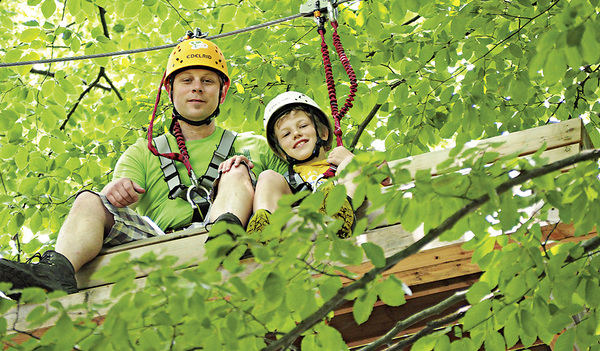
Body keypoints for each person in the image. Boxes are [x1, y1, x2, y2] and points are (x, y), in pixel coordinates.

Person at [0, 33, 286, 296]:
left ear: (221, 93)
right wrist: (116, 190)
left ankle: (225, 235)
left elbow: (296, 182)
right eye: (186, 80)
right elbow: (114, 202)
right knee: (89, 200)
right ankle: (55, 272)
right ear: (170, 89)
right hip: (159, 239)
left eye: (207, 81)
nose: (197, 88)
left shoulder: (256, 145)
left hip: (229, 233)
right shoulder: (145, 151)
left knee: (236, 170)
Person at [245, 91, 360, 238]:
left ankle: (341, 211)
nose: (296, 134)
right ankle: (263, 224)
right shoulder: (287, 181)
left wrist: (350, 159)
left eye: (303, 126)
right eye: (286, 134)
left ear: (323, 133)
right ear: (281, 152)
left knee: (351, 164)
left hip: (343, 206)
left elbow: (383, 177)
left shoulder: (338, 164)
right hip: (299, 213)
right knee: (267, 176)